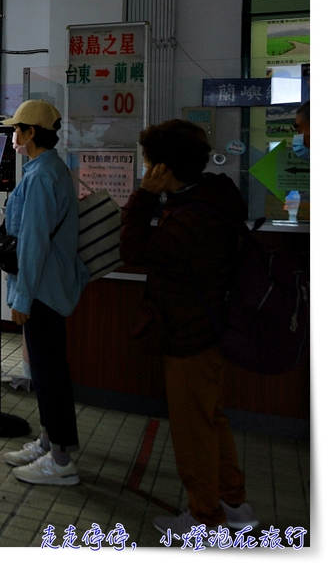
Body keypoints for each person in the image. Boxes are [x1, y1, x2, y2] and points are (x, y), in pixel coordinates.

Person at [119, 119, 259, 536]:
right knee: (210, 418)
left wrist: (144, 196)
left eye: (147, 162)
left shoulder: (191, 217)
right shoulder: (214, 196)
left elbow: (134, 249)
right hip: (212, 329)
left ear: (161, 168)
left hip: (191, 335)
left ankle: (205, 519)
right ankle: (234, 504)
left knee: (194, 430)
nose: (144, 169)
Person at [0, 100, 90, 485]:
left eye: (18, 129)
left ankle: (61, 461)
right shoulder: (50, 170)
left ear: (31, 133)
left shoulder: (40, 177)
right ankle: (50, 440)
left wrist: (22, 298)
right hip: (50, 287)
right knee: (49, 368)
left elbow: (32, 243)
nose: (14, 136)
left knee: (49, 372)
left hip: (42, 292)